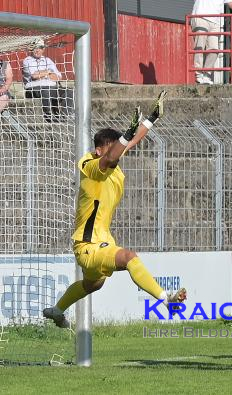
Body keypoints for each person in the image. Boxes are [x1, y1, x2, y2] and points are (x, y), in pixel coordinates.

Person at [43, 91, 187, 329]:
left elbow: (130, 142)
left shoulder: (114, 163)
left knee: (93, 285)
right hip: (88, 245)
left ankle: (58, 311)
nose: (119, 152)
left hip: (101, 241)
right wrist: (125, 136)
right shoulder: (89, 165)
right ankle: (166, 300)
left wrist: (152, 117)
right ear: (99, 149)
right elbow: (110, 157)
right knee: (129, 257)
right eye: (113, 148)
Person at [191, 0, 232, 85]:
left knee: (214, 49)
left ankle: (206, 75)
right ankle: (199, 75)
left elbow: (230, 1)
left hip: (215, 21)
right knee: (200, 47)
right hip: (201, 16)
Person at [22, 39, 64, 122]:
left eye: (40, 48)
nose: (37, 50)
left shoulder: (47, 60)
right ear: (31, 49)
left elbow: (59, 76)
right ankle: (48, 114)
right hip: (33, 88)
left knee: (69, 92)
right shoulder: (27, 61)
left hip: (50, 86)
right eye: (35, 48)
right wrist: (48, 72)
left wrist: (42, 73)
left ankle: (67, 115)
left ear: (43, 49)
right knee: (46, 89)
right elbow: (34, 76)